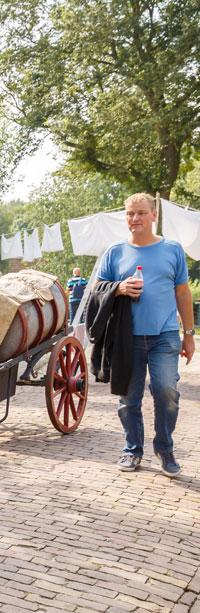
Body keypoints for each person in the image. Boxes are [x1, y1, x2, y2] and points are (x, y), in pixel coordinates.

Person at [96, 193, 194, 476]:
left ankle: (164, 449)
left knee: (167, 392)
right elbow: (98, 289)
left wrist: (188, 334)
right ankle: (132, 450)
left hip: (165, 335)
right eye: (129, 213)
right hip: (127, 338)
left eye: (140, 213)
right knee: (128, 400)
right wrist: (119, 288)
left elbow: (183, 293)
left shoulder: (172, 249)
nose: (134, 218)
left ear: (154, 216)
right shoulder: (114, 252)